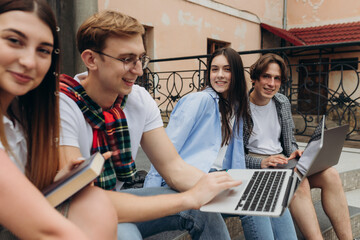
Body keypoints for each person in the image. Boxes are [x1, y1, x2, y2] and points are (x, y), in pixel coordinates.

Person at [59, 10, 241, 240]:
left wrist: (233, 193)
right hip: (71, 211)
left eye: (140, 58)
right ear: (91, 59)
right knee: (124, 233)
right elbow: (80, 198)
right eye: (127, 59)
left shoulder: (138, 98)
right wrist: (189, 197)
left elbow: (173, 167)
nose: (139, 70)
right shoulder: (62, 104)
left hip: (115, 200)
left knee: (204, 211)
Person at [144, 47, 297, 239]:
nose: (220, 75)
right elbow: (166, 148)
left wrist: (244, 179)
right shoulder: (198, 100)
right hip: (192, 178)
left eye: (227, 69)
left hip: (221, 177)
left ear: (237, 74)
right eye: (214, 69)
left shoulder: (235, 107)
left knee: (272, 195)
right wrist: (151, 193)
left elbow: (236, 157)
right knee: (253, 204)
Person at [0, 0, 118, 239]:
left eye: (43, 50)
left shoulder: (24, 116)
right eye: (14, 41)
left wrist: (57, 181)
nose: (29, 62)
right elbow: (49, 231)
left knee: (91, 200)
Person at [244, 53, 353, 240]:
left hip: (284, 161)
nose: (271, 83)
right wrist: (262, 162)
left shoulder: (281, 102)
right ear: (255, 78)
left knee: (331, 175)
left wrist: (296, 151)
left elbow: (289, 142)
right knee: (299, 183)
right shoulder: (240, 108)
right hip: (260, 167)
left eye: (277, 78)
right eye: (266, 76)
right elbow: (235, 156)